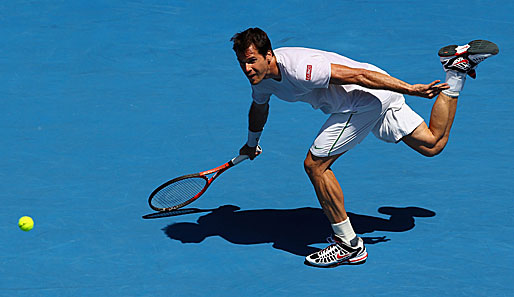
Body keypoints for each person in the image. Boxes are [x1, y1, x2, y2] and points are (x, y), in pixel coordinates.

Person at [230, 27, 498, 268]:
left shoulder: (301, 68)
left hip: (364, 100)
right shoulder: (261, 79)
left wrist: (410, 89)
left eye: (252, 61)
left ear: (269, 55)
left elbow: (359, 75)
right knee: (433, 144)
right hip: (377, 93)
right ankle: (455, 70)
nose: (247, 68)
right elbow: (259, 106)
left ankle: (349, 245)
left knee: (315, 166)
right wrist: (252, 144)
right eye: (242, 63)